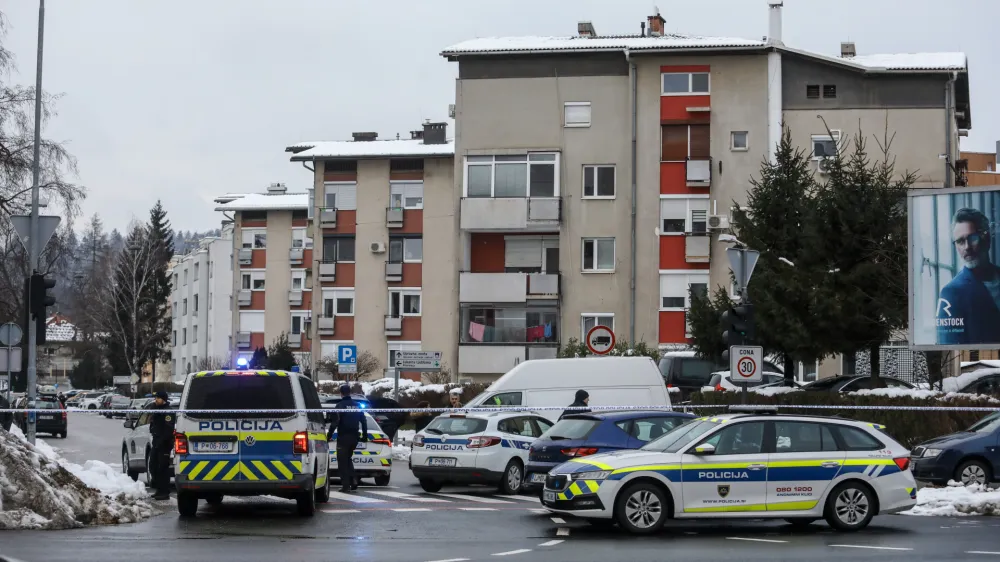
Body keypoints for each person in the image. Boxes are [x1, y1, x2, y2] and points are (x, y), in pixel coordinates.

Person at [936, 208, 1000, 345]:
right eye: (960, 241)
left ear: (986, 239)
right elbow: (949, 346)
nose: (967, 247)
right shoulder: (951, 293)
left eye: (972, 238)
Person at [327, 384, 367, 493]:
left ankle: (346, 486)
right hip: (354, 437)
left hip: (343, 438)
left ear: (341, 393)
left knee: (342, 462)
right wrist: (365, 435)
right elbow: (363, 421)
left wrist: (329, 436)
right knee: (348, 459)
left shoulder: (340, 406)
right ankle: (353, 480)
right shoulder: (358, 405)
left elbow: (335, 423)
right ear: (350, 392)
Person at [147, 391, 176, 501]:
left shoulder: (168, 411)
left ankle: (164, 491)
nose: (156, 400)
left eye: (158, 398)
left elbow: (168, 429)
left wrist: (162, 441)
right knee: (153, 466)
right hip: (156, 442)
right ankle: (159, 489)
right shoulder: (156, 409)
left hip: (164, 443)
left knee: (163, 468)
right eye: (155, 398)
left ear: (163, 399)